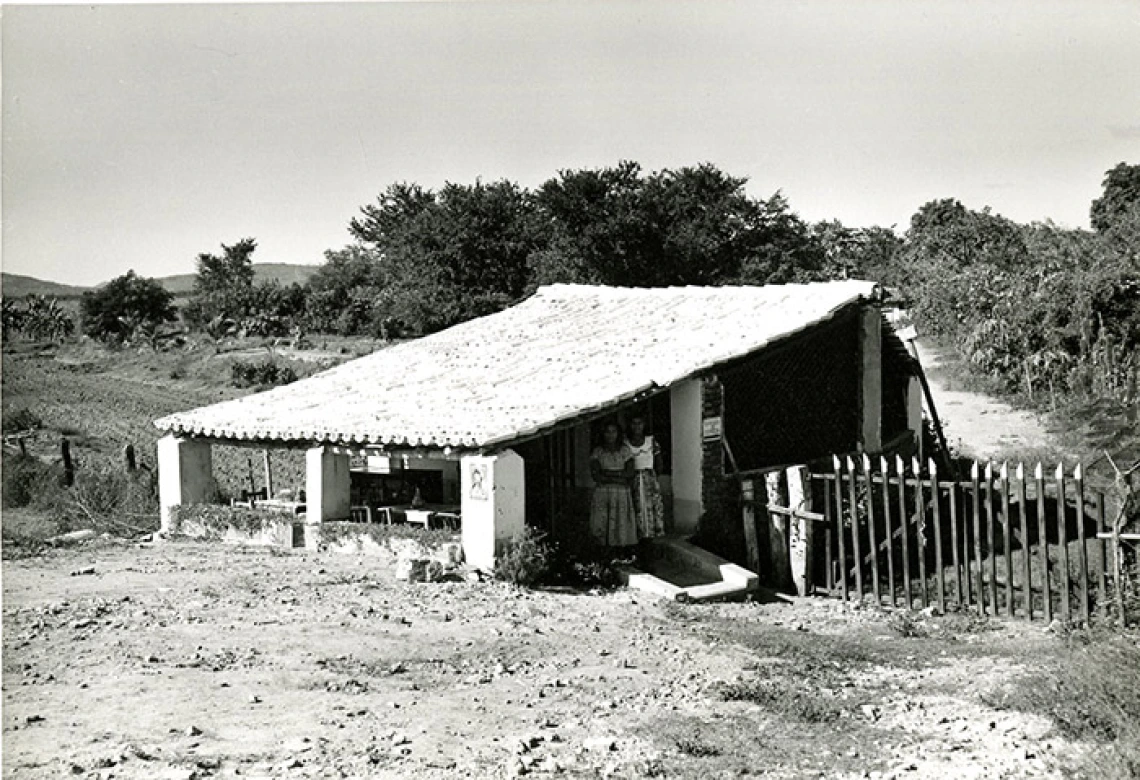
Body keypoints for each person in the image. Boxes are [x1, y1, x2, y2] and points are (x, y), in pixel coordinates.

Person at [589, 421, 637, 549]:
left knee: (619, 522)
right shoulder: (598, 452)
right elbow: (596, 475)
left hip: (621, 494)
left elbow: (630, 473)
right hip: (603, 494)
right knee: (602, 523)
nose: (611, 435)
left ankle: (620, 552)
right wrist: (618, 475)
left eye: (613, 431)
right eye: (607, 432)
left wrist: (608, 474)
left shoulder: (625, 451)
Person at [627, 414, 666, 540]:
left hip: (649, 478)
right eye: (634, 423)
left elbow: (659, 462)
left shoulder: (651, 441)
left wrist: (652, 476)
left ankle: (652, 535)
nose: (637, 426)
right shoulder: (626, 444)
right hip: (633, 479)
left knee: (652, 507)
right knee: (636, 508)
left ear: (644, 425)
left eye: (640, 423)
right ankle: (639, 537)